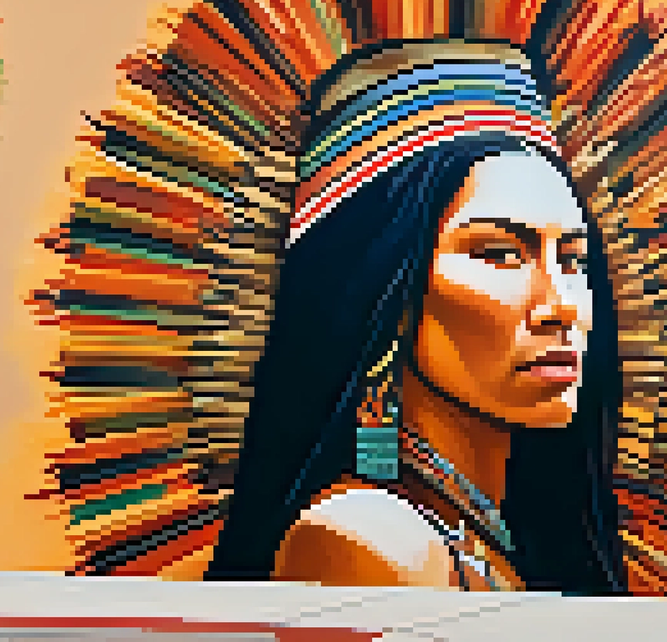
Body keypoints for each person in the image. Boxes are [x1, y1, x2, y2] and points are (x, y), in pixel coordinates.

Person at [203, 42, 626, 595]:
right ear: (388, 295)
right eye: (500, 253)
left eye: (572, 260)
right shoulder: (373, 543)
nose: (563, 305)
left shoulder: (492, 540)